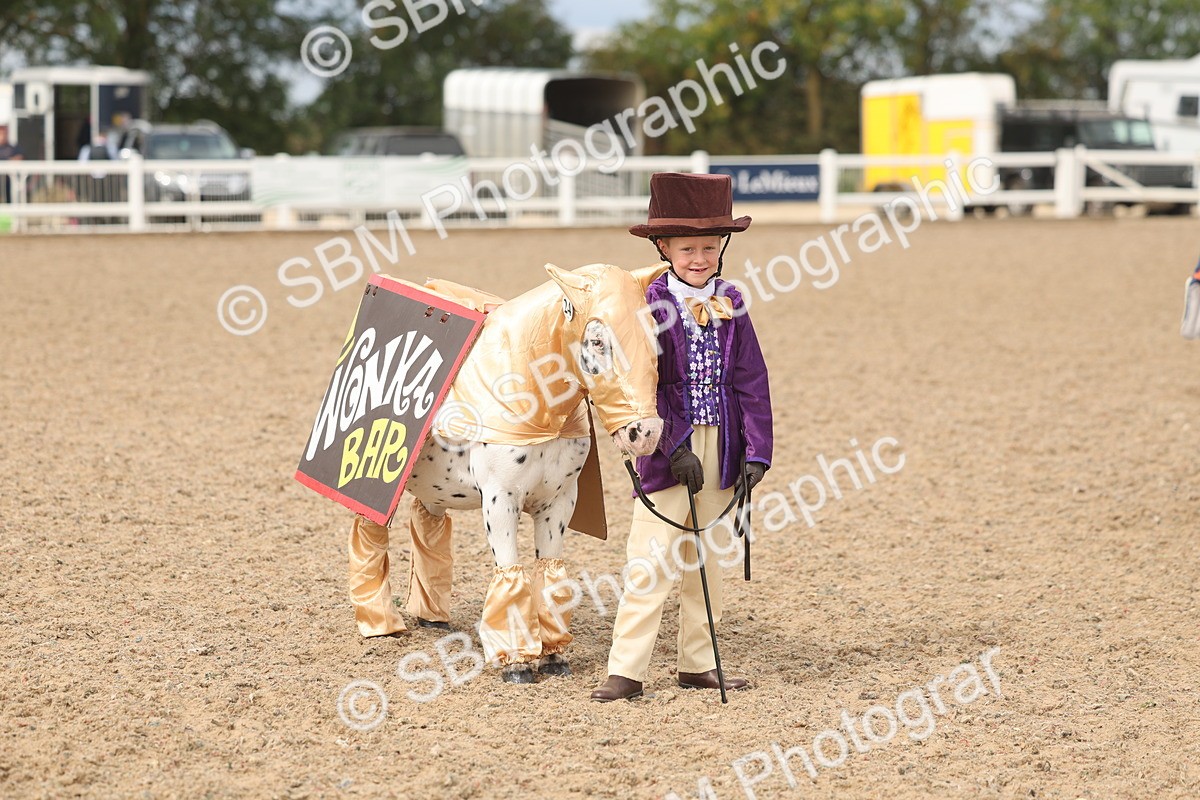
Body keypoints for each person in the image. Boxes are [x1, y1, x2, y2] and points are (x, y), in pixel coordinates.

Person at [591, 172, 773, 702]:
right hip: (670, 448)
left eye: (709, 247)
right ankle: (626, 668)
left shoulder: (731, 301)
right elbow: (648, 383)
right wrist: (674, 447)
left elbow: (750, 379)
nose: (699, 257)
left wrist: (757, 451)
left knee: (708, 558)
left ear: (723, 247)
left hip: (724, 445)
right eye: (688, 247)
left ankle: (699, 662)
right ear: (663, 247)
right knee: (651, 555)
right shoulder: (648, 306)